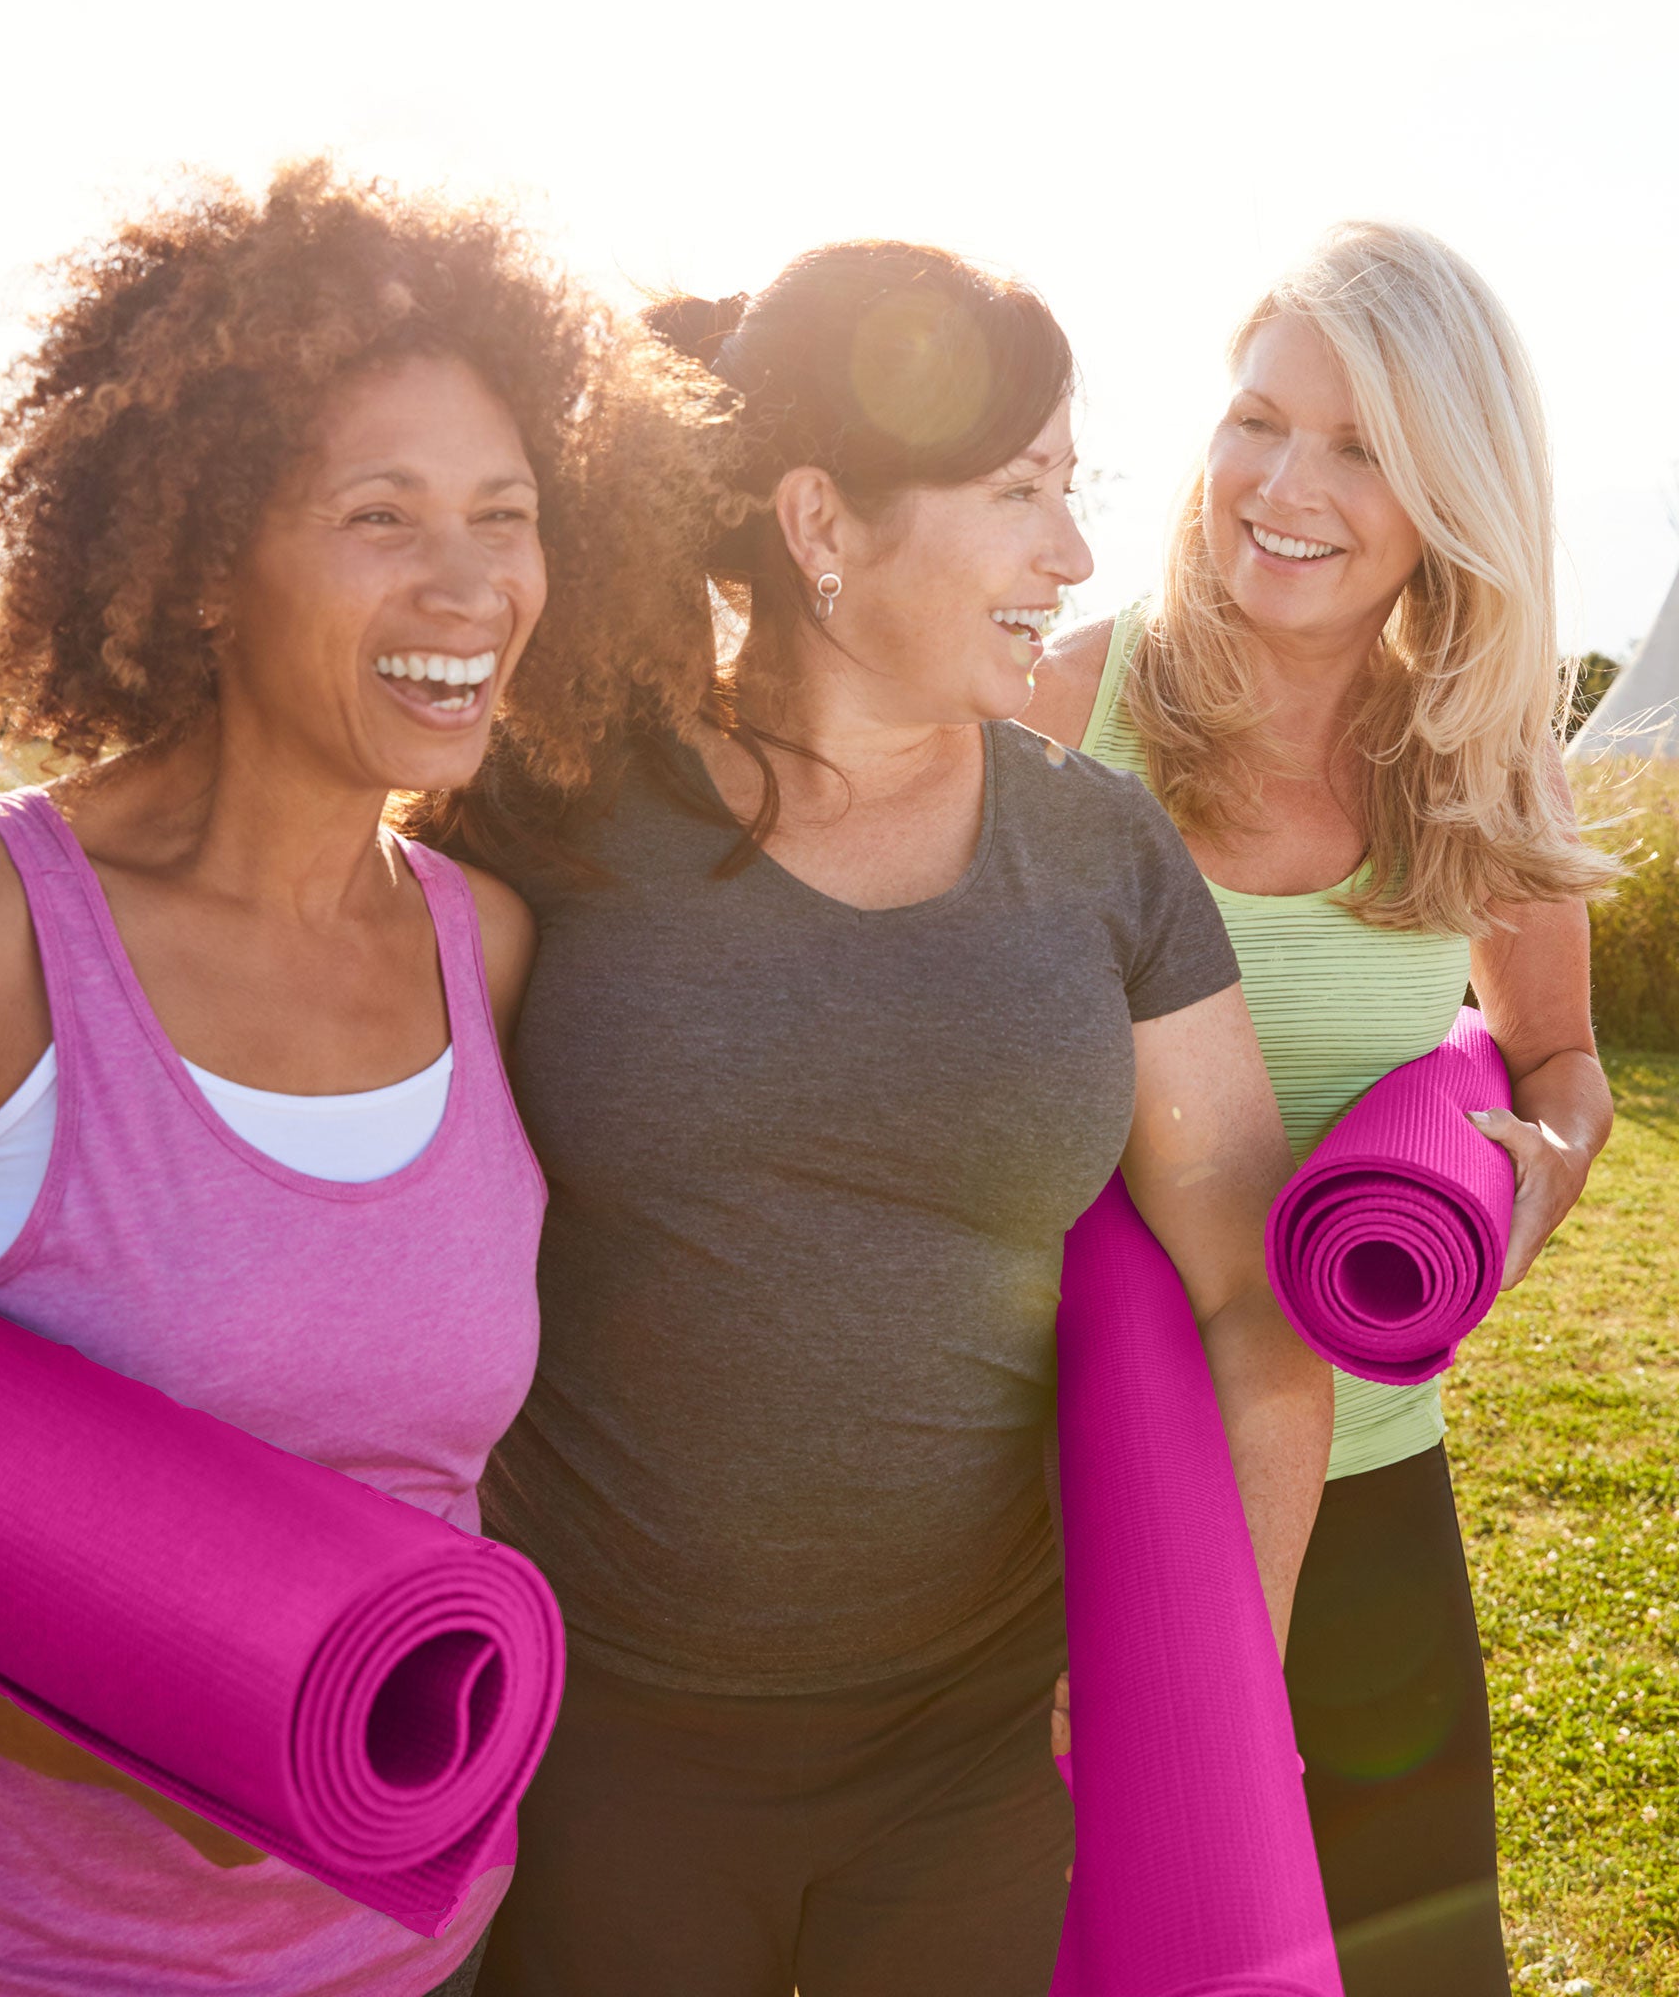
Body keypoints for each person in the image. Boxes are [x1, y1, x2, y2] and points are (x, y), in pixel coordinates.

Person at [0, 163, 705, 1997]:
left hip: (410, 1946)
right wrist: (117, 1719)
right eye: (380, 514)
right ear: (213, 560)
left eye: (508, 514)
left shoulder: (497, 950)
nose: (469, 582)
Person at [423, 243, 1336, 1997]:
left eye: (1074, 491)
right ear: (821, 522)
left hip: (975, 1761)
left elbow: (1248, 1286)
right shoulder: (551, 814)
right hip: (596, 1739)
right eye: (1020, 494)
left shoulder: (1098, 849)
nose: (1073, 555)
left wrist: (1217, 1664)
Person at [1025, 220, 1616, 1997]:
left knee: (1413, 1963)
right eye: (1256, 418)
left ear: (1449, 490)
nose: (1284, 484)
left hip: (1365, 1488)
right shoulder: (1070, 707)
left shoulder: (1481, 753)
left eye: (1359, 446)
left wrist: (1530, 1183)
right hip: (1063, 1496)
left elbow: (1557, 1064)